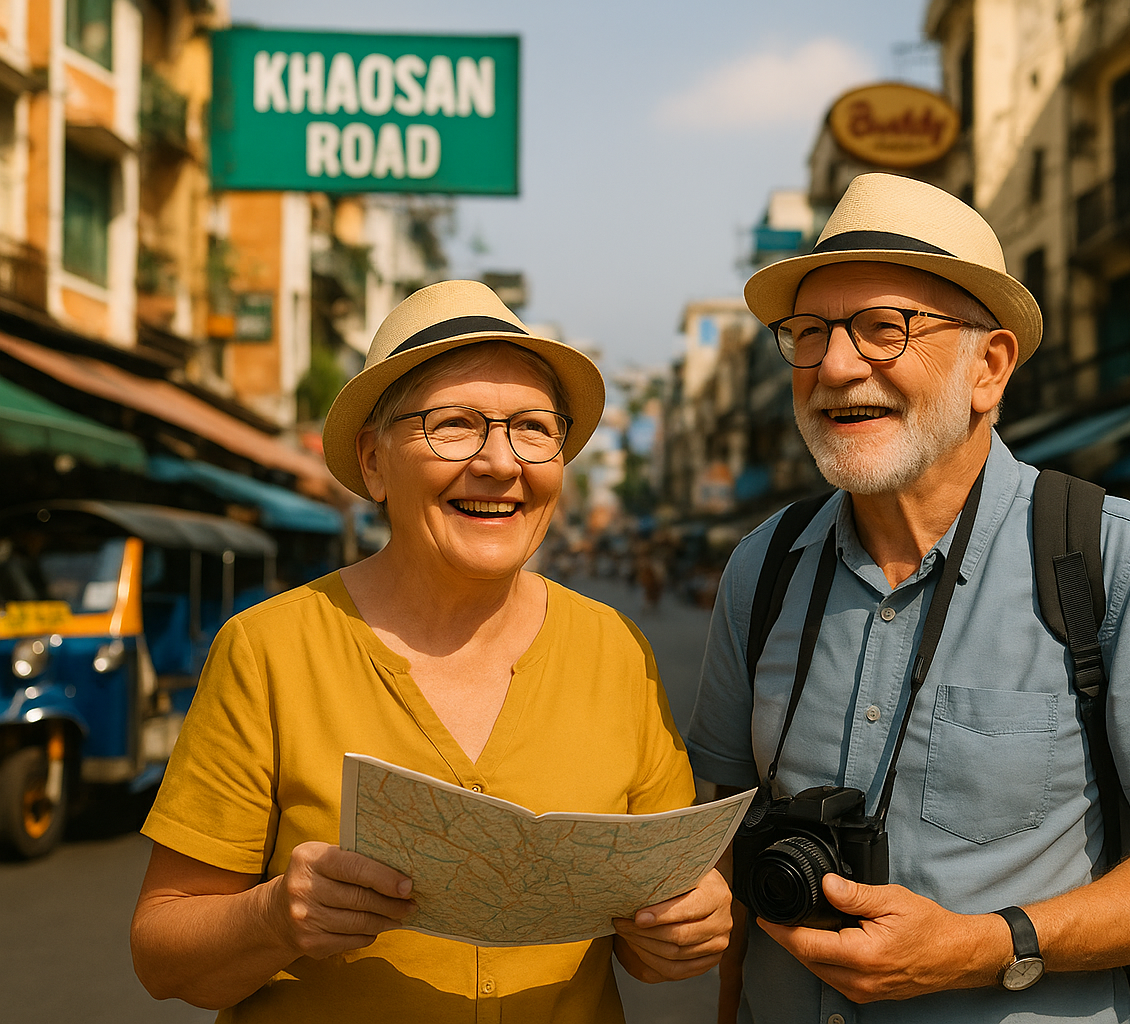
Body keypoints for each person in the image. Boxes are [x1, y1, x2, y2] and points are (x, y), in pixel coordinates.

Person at [687, 173, 1130, 1023]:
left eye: (884, 330)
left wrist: (985, 947)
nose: (836, 366)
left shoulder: (1116, 558)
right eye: (808, 334)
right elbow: (725, 838)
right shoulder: (763, 566)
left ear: (988, 366)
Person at [129, 280, 732, 1022]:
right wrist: (277, 915)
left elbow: (653, 934)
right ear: (373, 461)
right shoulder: (270, 650)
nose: (500, 463)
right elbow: (162, 953)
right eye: (454, 426)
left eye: (533, 429)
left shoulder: (614, 650)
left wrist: (686, 930)